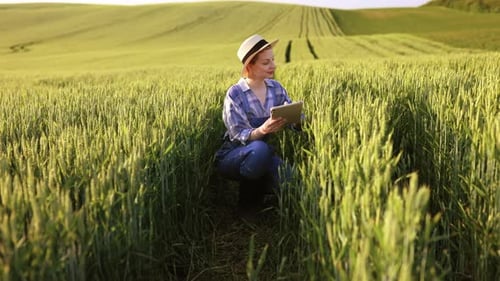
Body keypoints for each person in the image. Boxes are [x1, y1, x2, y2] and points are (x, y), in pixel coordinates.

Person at [214, 34, 300, 211]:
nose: (273, 66)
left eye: (273, 60)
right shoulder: (235, 94)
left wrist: (295, 120)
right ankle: (247, 206)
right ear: (250, 66)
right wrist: (263, 129)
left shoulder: (276, 88)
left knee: (292, 181)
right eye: (266, 62)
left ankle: (265, 191)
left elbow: (294, 121)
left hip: (263, 153)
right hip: (234, 155)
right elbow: (238, 135)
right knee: (260, 150)